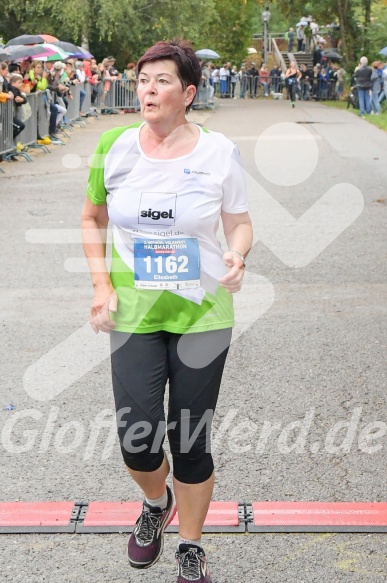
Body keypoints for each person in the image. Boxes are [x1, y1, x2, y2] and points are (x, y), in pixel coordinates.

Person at [81, 39, 252, 583]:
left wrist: (238, 252)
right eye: (142, 80)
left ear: (189, 92)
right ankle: (157, 503)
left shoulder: (219, 152)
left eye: (161, 81)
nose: (148, 90)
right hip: (133, 313)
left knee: (190, 437)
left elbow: (240, 221)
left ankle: (192, 545)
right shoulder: (114, 146)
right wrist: (101, 285)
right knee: (137, 436)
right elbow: (91, 219)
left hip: (203, 313)